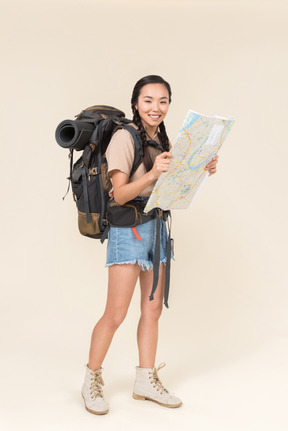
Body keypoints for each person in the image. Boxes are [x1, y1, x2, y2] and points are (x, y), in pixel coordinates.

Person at [81, 75, 219, 415]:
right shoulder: (124, 138)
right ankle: (90, 381)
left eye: (162, 101)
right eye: (148, 101)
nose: (156, 108)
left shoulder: (163, 138)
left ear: (169, 104)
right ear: (136, 104)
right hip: (129, 231)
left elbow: (169, 186)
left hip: (156, 228)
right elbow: (121, 194)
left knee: (153, 310)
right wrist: (154, 173)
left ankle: (144, 380)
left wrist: (203, 168)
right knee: (115, 314)